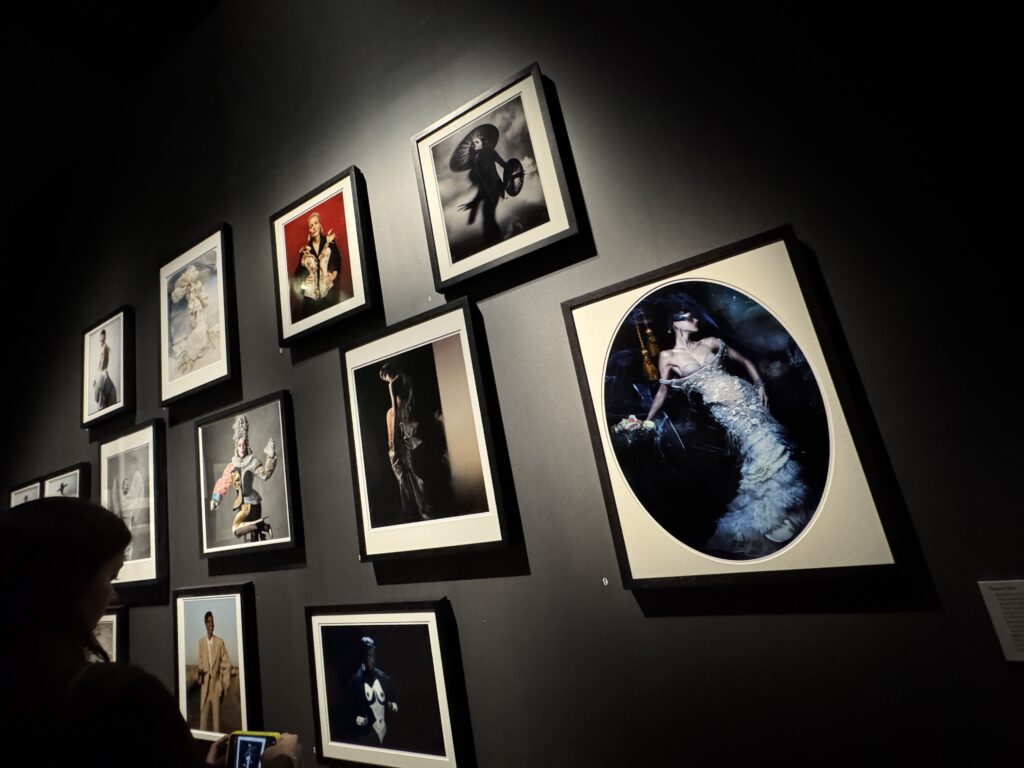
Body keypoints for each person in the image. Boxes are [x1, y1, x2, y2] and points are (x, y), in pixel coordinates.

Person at [0, 497, 301, 767]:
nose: (113, 596)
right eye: (110, 577)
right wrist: (282, 761)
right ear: (70, 580)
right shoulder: (121, 697)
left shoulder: (18, 685)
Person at [640, 302, 811, 558]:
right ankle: (774, 520)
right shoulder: (668, 357)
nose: (695, 320)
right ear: (676, 323)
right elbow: (663, 392)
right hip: (726, 411)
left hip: (747, 397)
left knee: (774, 445)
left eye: (695, 316)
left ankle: (788, 514)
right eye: (688, 317)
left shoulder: (710, 342)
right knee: (761, 453)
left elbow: (744, 360)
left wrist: (760, 385)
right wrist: (646, 420)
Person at [209, 414, 278, 542]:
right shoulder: (231, 466)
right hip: (242, 505)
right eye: (240, 445)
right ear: (236, 446)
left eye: (244, 445)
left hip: (254, 504)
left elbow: (265, 474)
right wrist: (215, 500)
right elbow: (223, 483)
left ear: (247, 446)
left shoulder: (252, 462)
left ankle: (261, 528)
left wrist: (271, 456)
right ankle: (263, 526)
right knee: (238, 530)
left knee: (253, 537)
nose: (242, 448)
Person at [451, 125, 509, 248]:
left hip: (493, 189)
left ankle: (499, 245)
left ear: (483, 143)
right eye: (472, 144)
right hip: (486, 192)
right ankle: (495, 244)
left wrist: (513, 175)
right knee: (487, 218)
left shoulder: (490, 152)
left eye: (476, 142)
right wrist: (474, 201)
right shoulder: (474, 165)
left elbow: (505, 166)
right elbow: (482, 184)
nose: (473, 144)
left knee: (488, 218)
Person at [345, 636, 398, 746]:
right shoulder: (354, 682)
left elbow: (397, 701)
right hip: (367, 740)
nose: (373, 660)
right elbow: (347, 713)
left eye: (374, 655)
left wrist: (392, 706)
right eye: (369, 656)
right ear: (362, 657)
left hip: (388, 739)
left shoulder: (384, 678)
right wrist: (356, 719)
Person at [291, 211, 340, 318]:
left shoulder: (329, 241)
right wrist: (304, 283)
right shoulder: (305, 251)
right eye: (311, 226)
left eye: (316, 223)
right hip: (310, 299)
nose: (313, 227)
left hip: (327, 292)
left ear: (320, 225)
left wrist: (333, 275)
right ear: (309, 230)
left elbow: (337, 259)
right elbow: (297, 275)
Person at [197, 611, 232, 733]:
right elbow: (200, 662)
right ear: (205, 624)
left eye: (212, 622)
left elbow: (227, 664)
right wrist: (200, 671)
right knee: (202, 724)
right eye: (208, 622)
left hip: (216, 687)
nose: (211, 624)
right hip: (204, 688)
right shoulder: (201, 643)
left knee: (216, 725)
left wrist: (223, 684)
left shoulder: (220, 642)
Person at [93, 328, 117, 409]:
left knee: (100, 400)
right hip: (102, 373)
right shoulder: (102, 348)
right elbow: (100, 363)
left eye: (102, 339)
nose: (101, 341)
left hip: (103, 374)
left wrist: (97, 376)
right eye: (100, 340)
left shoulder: (105, 348)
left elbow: (102, 363)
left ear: (105, 338)